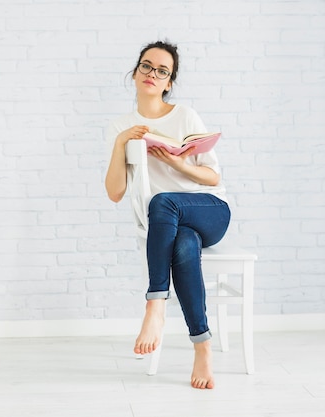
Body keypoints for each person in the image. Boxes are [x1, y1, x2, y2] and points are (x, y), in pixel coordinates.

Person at [104, 40, 230, 389]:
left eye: (162, 71)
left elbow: (213, 177)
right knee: (184, 248)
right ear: (135, 72)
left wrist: (177, 162)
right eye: (147, 66)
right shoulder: (121, 126)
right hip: (174, 227)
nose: (152, 74)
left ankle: (155, 303)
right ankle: (202, 345)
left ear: (169, 81)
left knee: (162, 201)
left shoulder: (185, 115)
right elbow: (115, 192)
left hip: (209, 211)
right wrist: (120, 143)